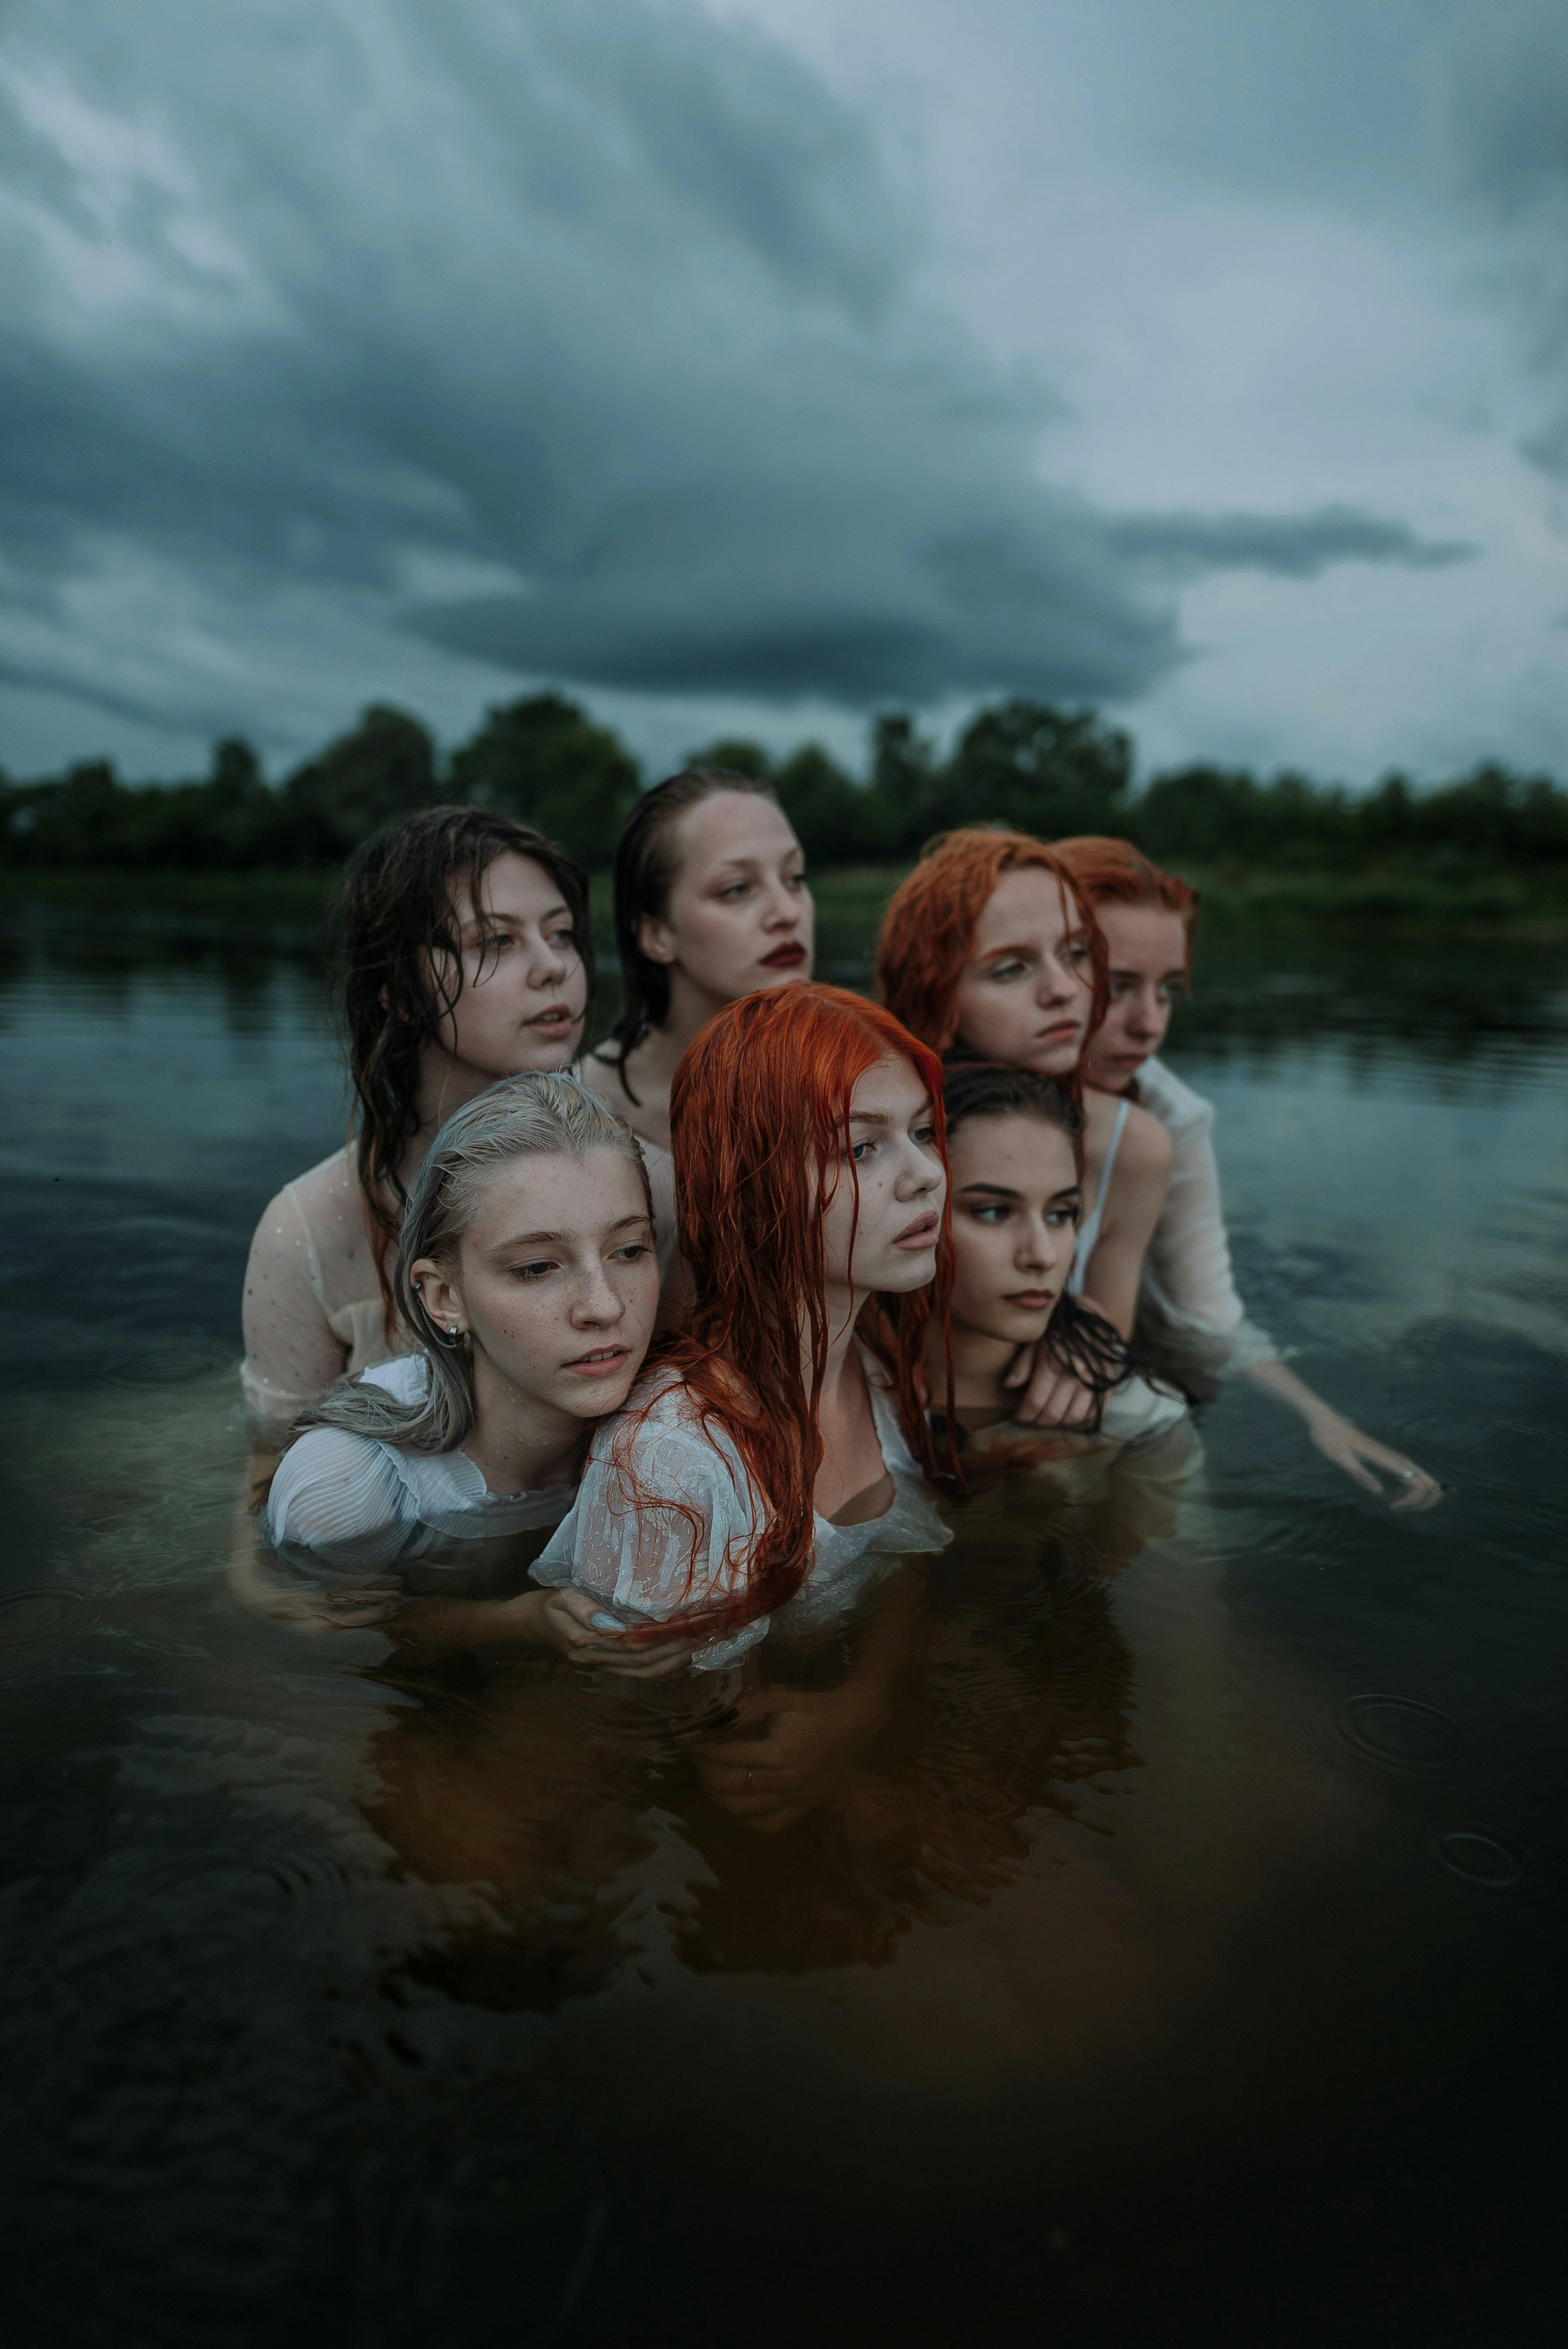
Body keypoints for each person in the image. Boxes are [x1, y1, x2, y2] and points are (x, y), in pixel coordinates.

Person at [534, 984, 955, 1668]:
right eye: (860, 1149)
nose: (926, 1176)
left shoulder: (875, 1366)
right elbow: (651, 1726)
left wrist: (858, 1703)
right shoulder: (672, 1461)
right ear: (750, 1186)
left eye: (922, 1133)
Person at [241, 805, 674, 1448]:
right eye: (497, 942)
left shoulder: (657, 1190)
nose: (553, 965)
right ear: (397, 986)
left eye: (560, 935)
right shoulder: (307, 1231)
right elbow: (271, 1482)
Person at [1052, 835, 1442, 1511]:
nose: (1149, 1026)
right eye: (1118, 988)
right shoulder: (928, 1094)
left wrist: (1320, 1416)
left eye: (1168, 991)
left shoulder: (1172, 1116)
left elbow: (1207, 1312)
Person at [260, 1074, 698, 1672]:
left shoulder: (682, 1443)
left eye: (629, 1251)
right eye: (538, 1267)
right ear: (444, 1297)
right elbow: (334, 1658)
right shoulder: (349, 1492)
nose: (605, 1307)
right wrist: (514, 1625)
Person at [876, 828, 1172, 1424]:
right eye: (1012, 968)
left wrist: (1082, 1334)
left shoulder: (1134, 1147)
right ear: (937, 995)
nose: (1065, 991)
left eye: (1076, 954)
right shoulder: (865, 1133)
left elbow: (1098, 1355)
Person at [933, 1059, 1186, 1451]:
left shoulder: (1140, 1417)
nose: (1043, 1255)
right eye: (992, 1211)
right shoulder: (833, 1391)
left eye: (1060, 1214)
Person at [580, 767, 814, 1151]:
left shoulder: (870, 1077)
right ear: (656, 934)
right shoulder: (580, 1112)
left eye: (795, 878)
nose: (788, 911)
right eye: (736, 889)